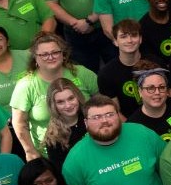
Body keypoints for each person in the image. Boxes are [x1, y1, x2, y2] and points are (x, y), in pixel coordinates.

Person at [11, 33, 98, 162]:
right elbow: (19, 122)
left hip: (93, 146)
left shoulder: (81, 73)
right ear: (35, 57)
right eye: (44, 54)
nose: (50, 57)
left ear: (63, 54)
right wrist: (31, 152)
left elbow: (101, 101)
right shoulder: (26, 85)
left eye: (55, 52)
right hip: (50, 155)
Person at [97, 19, 151, 114]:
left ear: (140, 39)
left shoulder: (155, 63)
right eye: (123, 37)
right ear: (115, 41)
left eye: (134, 35)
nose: (129, 40)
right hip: (129, 124)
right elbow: (115, 113)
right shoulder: (106, 74)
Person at [37, 79, 88, 172]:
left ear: (78, 96)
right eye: (60, 102)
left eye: (71, 98)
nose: (68, 105)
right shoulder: (53, 138)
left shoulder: (92, 116)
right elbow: (64, 173)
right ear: (53, 105)